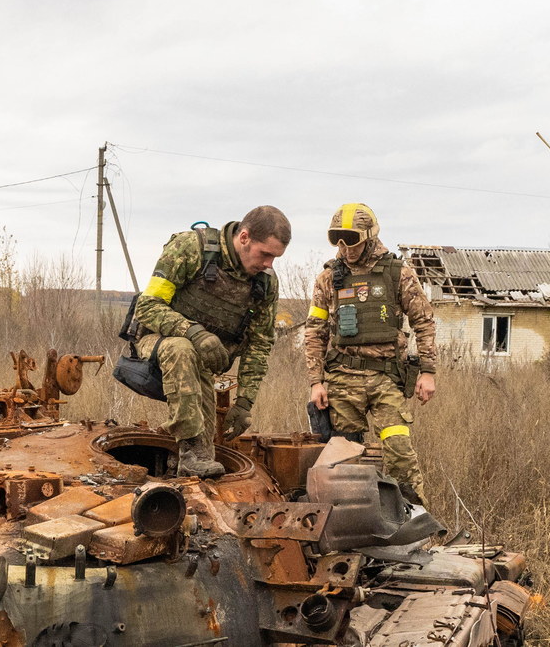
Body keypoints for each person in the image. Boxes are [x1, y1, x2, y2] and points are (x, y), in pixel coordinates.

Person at [132, 206, 290, 478]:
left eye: (275, 258)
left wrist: (244, 404)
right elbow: (147, 307)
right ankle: (190, 451)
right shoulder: (190, 249)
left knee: (207, 462)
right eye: (265, 254)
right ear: (244, 237)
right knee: (182, 348)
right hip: (158, 342)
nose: (269, 264)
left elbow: (259, 345)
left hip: (202, 365)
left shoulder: (265, 283)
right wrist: (193, 332)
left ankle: (191, 466)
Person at [303, 203, 437, 504]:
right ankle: (351, 529)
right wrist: (316, 381)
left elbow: (423, 321)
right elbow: (315, 330)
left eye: (351, 239)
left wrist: (428, 371)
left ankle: (416, 523)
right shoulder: (328, 278)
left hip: (386, 378)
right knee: (342, 462)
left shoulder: (397, 273)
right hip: (342, 380)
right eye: (337, 239)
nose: (344, 247)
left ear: (369, 235)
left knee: (399, 453)